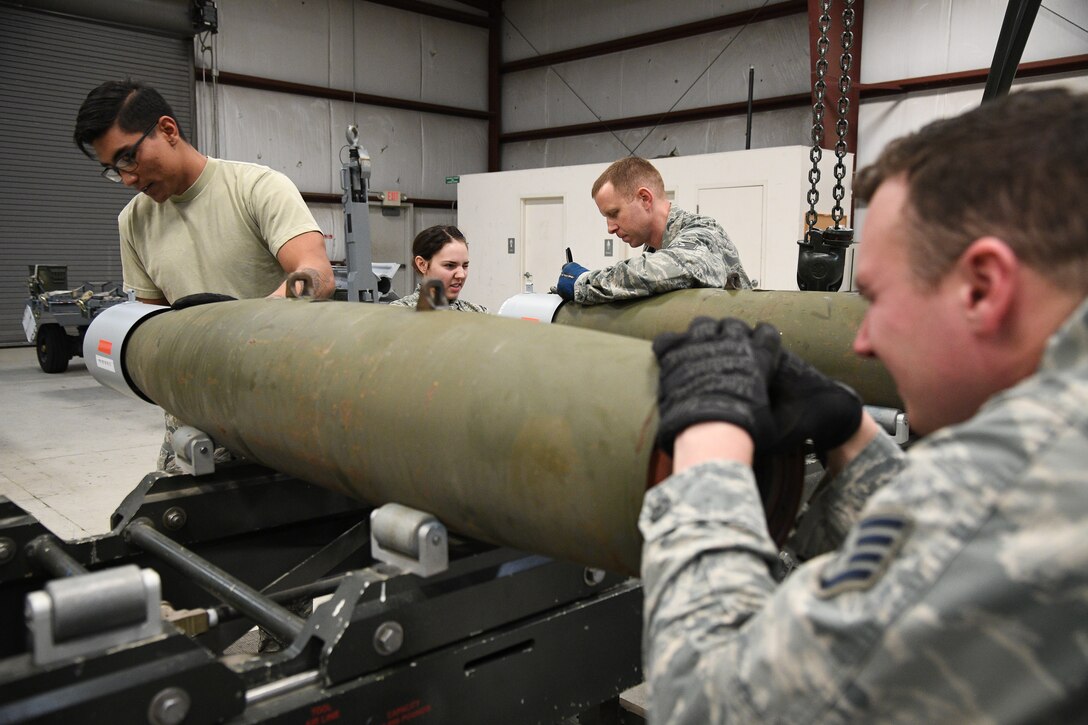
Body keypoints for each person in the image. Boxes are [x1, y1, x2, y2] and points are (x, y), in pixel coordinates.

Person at [641, 87, 1088, 723]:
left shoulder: (1024, 478)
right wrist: (853, 437)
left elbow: (706, 704)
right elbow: (938, 562)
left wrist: (709, 440)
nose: (862, 340)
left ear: (984, 288)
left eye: (875, 297)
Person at [74, 79, 336, 472]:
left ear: (167, 129)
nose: (126, 179)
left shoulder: (256, 187)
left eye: (128, 158)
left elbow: (314, 272)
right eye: (112, 170)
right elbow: (152, 322)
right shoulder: (133, 221)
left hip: (277, 400)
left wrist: (255, 325)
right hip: (195, 410)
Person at [555, 156, 751, 304]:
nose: (610, 228)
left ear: (645, 199)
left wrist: (584, 282)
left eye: (614, 213)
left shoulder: (704, 234)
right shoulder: (654, 249)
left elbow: (670, 268)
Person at [390, 225, 488, 312]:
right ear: (422, 264)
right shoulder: (399, 313)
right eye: (450, 265)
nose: (461, 274)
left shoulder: (478, 313)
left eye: (465, 266)